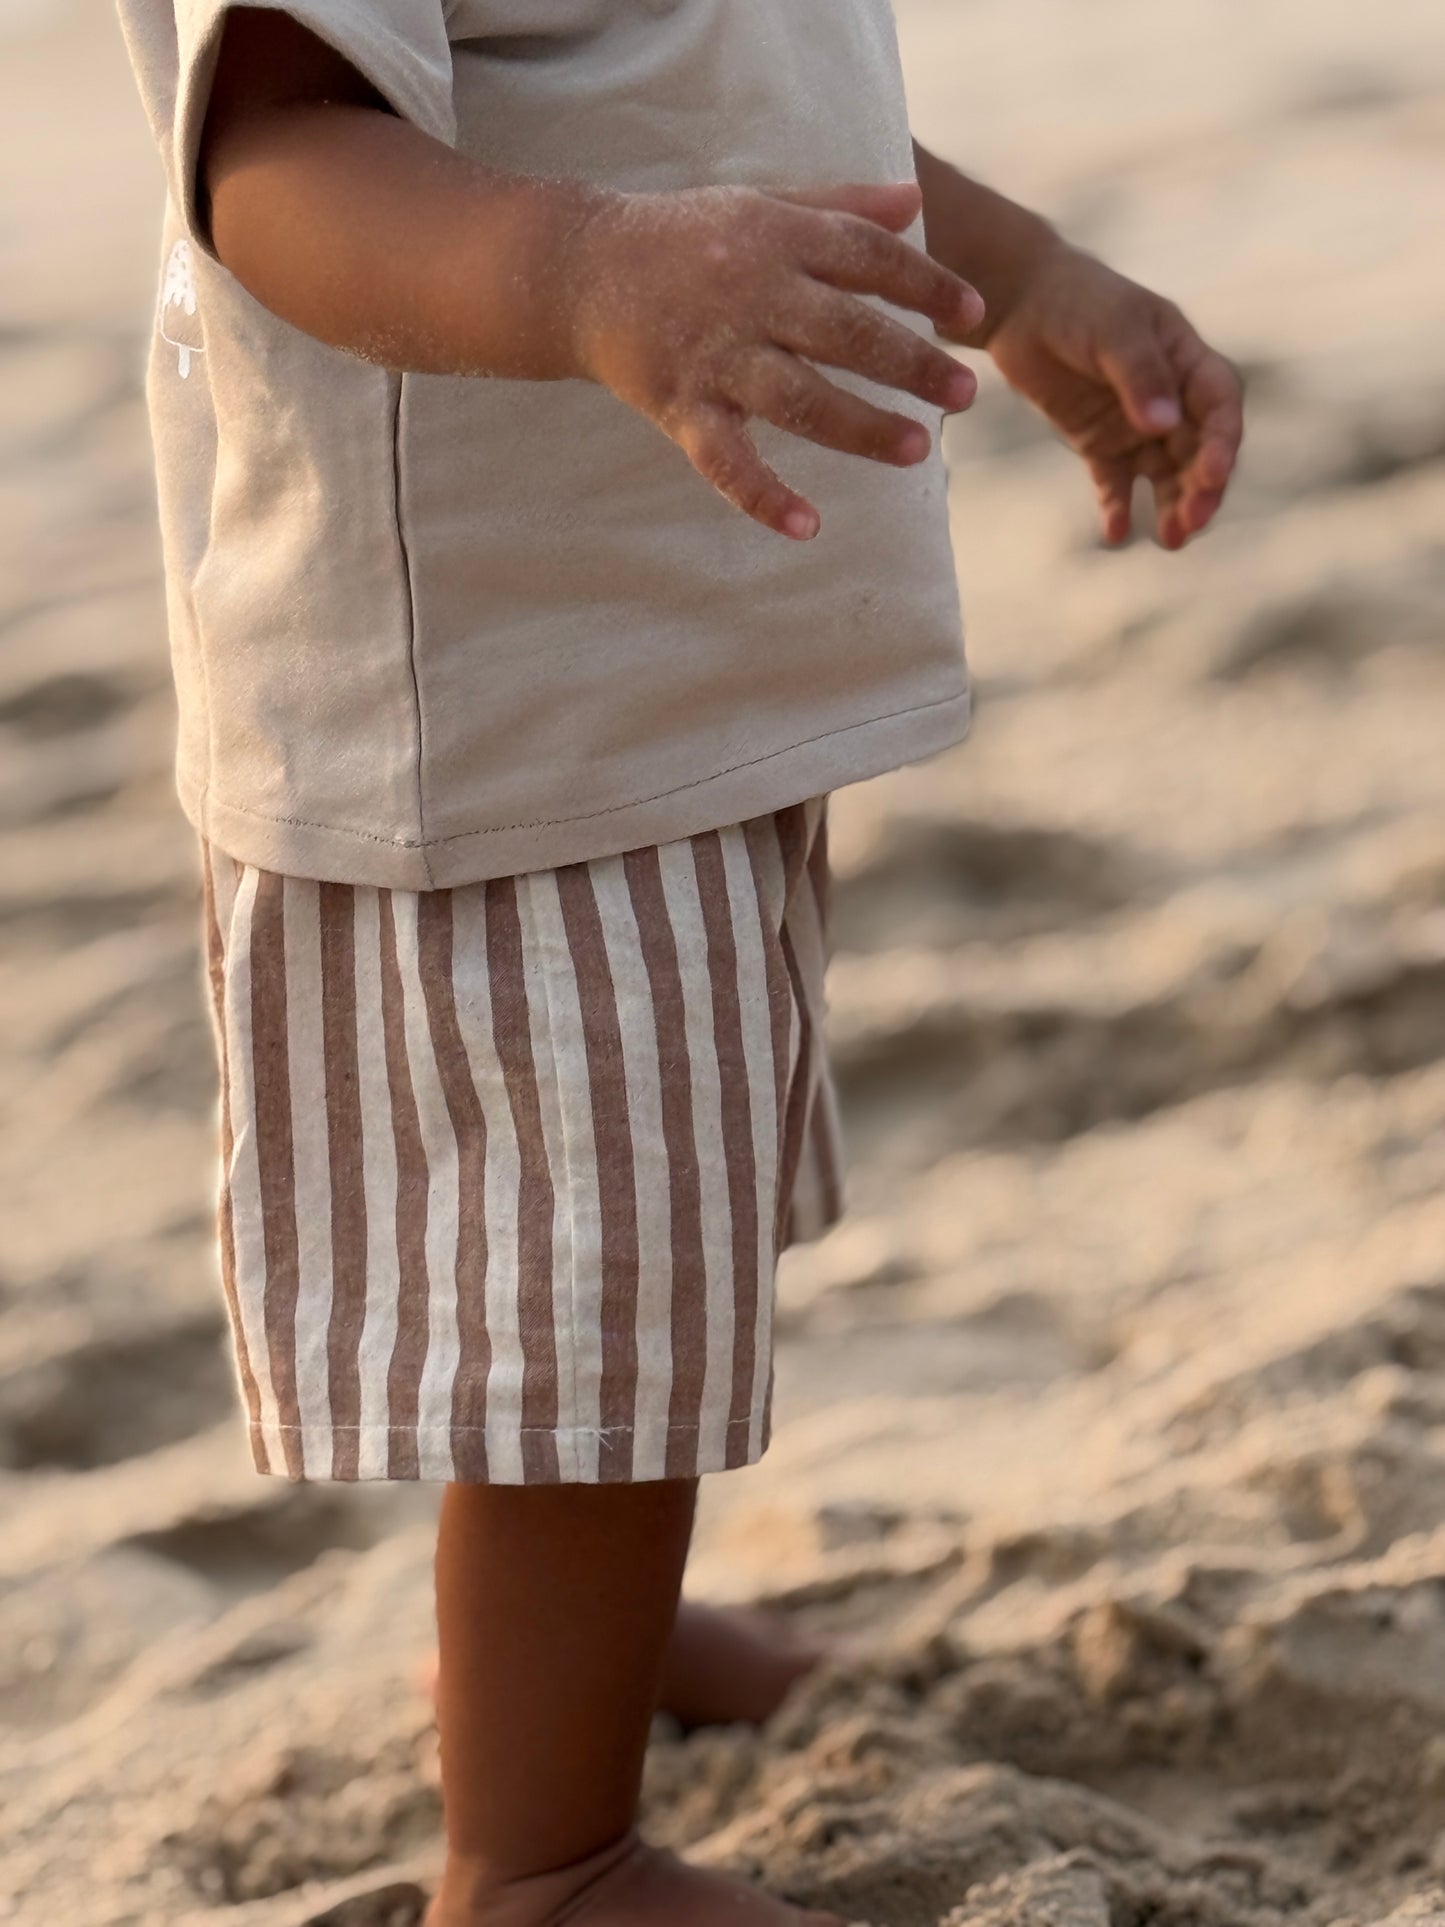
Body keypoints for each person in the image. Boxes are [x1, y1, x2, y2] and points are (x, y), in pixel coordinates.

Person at [115, 5, 1243, 1923]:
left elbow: (727, 67)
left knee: (655, 1223)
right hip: (502, 689)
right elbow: (274, 162)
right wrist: (587, 274)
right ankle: (542, 1859)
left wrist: (1022, 280)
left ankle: (563, 1659)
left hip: (658, 635)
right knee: (588, 1278)